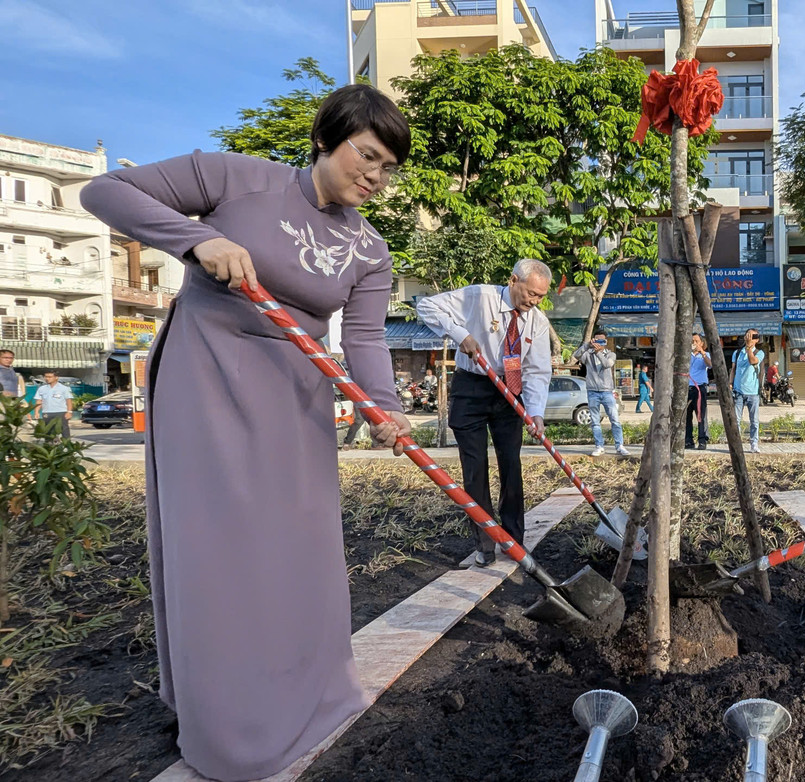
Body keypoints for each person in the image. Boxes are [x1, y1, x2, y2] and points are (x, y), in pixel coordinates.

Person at [79, 84, 411, 781]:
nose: (376, 178)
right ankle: (231, 721)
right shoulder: (234, 177)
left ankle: (311, 695)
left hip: (296, 392)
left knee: (300, 543)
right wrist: (201, 239)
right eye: (368, 157)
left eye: (388, 168)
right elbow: (104, 194)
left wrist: (384, 406)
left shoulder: (371, 249)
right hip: (207, 374)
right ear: (327, 137)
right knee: (223, 547)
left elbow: (367, 336)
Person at [418, 259, 553, 566]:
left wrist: (536, 413)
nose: (534, 301)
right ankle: (484, 542)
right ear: (513, 280)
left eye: (541, 297)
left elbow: (537, 371)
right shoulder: (479, 297)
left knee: (511, 464)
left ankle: (514, 541)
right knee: (475, 468)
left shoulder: (538, 322)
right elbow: (426, 306)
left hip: (510, 391)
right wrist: (459, 334)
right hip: (472, 387)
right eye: (531, 293)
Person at [573, 329, 629, 457]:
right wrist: (587, 345)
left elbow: (607, 364)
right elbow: (576, 356)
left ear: (605, 341)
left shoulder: (610, 354)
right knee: (595, 421)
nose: (598, 342)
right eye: (596, 339)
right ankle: (599, 446)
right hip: (592, 391)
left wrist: (599, 353)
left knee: (614, 419)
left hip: (607, 391)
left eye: (601, 340)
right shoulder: (588, 354)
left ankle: (619, 445)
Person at [731, 328, 765, 453]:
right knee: (736, 420)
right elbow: (733, 370)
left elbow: (753, 361)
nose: (750, 338)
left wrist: (749, 348)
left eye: (753, 336)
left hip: (753, 392)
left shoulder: (759, 352)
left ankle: (754, 444)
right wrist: (730, 383)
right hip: (738, 391)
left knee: (754, 421)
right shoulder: (737, 353)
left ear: (756, 339)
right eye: (748, 335)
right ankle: (737, 444)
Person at [685, 334, 711, 450]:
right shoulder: (686, 355)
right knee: (686, 416)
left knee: (701, 415)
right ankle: (688, 440)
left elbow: (710, 365)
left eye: (696, 341)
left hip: (699, 387)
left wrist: (702, 352)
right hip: (687, 387)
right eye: (692, 341)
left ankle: (702, 439)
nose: (694, 343)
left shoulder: (705, 355)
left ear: (702, 343)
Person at [32, 371, 73, 438]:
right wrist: (36, 412)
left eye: (50, 377)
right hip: (47, 413)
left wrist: (69, 412)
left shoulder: (64, 388)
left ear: (56, 377)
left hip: (61, 412)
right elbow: (39, 401)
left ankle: (67, 444)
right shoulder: (41, 389)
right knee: (48, 431)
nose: (47, 379)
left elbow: (69, 401)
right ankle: (49, 445)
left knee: (64, 429)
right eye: (46, 377)